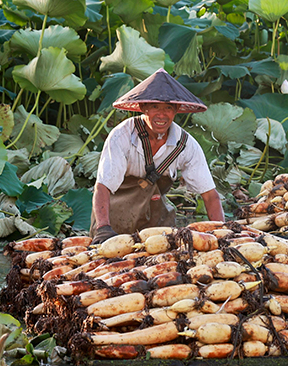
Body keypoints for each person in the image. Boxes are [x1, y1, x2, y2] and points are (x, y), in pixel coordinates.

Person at [91, 69, 225, 244]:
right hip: (114, 223)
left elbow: (209, 195)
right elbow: (102, 187)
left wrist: (223, 232)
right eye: (155, 107)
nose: (161, 115)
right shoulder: (122, 136)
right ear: (143, 107)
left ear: (176, 110)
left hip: (154, 224)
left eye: (168, 108)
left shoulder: (184, 144)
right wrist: (103, 229)